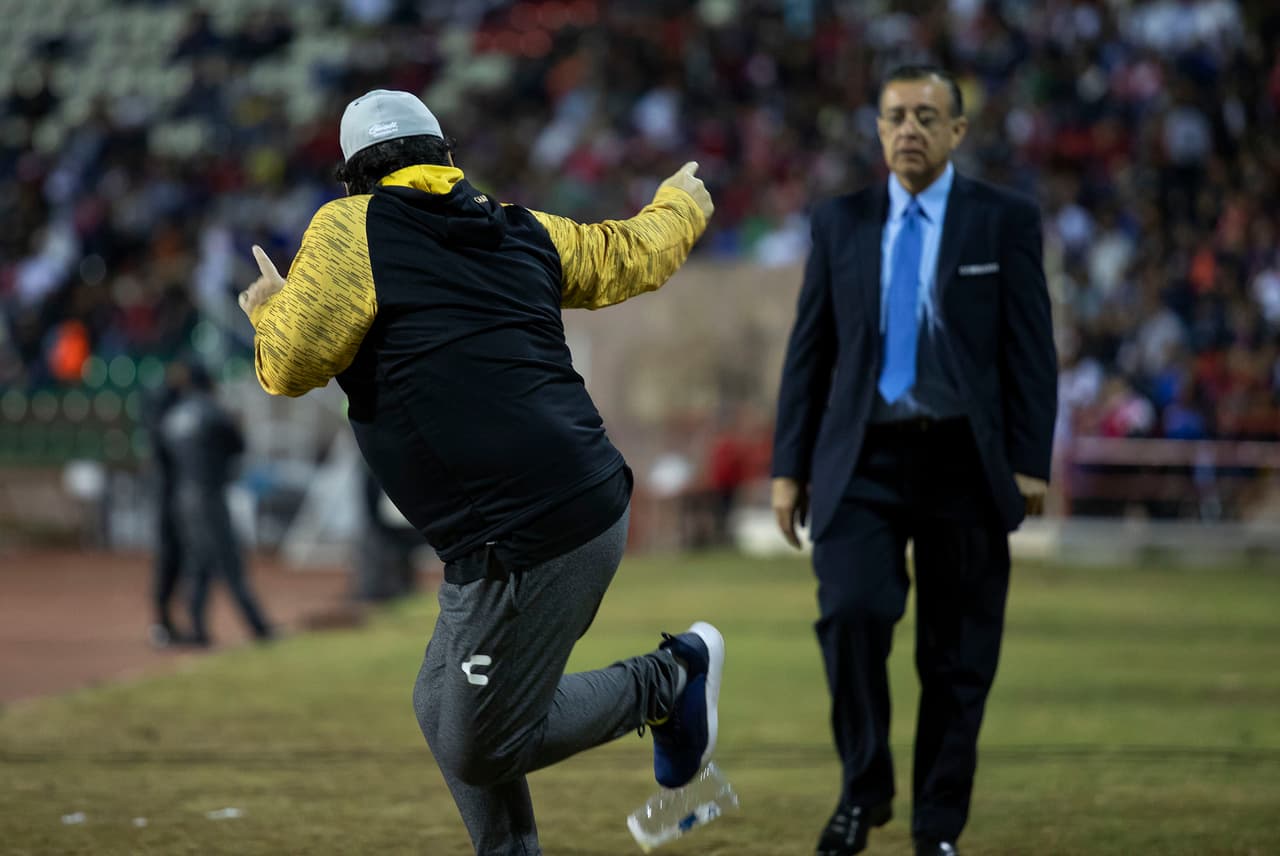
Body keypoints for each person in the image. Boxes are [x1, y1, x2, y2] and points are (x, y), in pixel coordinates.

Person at [238, 89, 724, 855]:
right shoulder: (522, 227)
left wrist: (269, 306)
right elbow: (631, 254)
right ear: (446, 158)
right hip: (555, 505)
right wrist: (680, 206)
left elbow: (292, 363)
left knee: (480, 743)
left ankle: (671, 679)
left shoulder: (351, 225)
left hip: (529, 527)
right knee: (441, 706)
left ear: (353, 177)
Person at [771, 65, 1057, 856]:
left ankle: (938, 825)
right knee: (852, 614)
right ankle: (863, 794)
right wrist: (787, 466)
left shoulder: (1004, 219)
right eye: (896, 116)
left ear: (958, 132)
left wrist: (1031, 458)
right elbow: (811, 351)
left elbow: (1031, 349)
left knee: (958, 654)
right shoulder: (842, 222)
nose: (910, 130)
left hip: (966, 460)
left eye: (928, 117)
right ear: (876, 128)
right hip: (861, 458)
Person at [159, 363, 273, 646]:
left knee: (197, 562)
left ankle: (197, 629)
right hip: (209, 495)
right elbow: (238, 446)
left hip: (181, 496)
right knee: (230, 562)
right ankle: (259, 628)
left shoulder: (173, 416)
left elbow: (163, 459)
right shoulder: (213, 412)